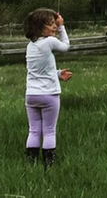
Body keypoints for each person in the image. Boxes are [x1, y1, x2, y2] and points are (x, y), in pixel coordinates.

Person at [23, 9, 72, 169]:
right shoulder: (49, 42)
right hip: (49, 95)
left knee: (34, 130)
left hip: (31, 95)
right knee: (49, 131)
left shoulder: (30, 46)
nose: (54, 27)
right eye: (50, 24)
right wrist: (62, 26)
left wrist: (58, 73)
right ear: (40, 27)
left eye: (54, 23)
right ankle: (48, 165)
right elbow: (65, 46)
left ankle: (31, 163)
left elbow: (39, 70)